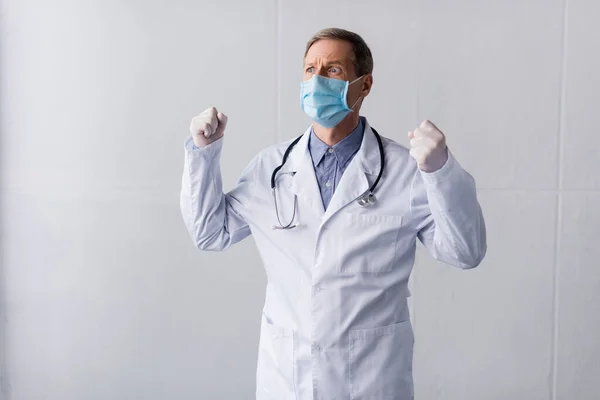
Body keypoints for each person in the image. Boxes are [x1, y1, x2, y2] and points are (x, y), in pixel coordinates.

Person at [180, 28, 486, 400]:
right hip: (287, 379)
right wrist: (203, 153)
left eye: (333, 70)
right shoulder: (271, 168)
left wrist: (441, 173)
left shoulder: (406, 172)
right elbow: (210, 232)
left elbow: (464, 252)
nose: (316, 80)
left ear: (365, 84)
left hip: (372, 382)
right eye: (310, 70)